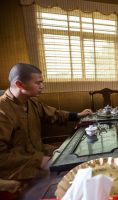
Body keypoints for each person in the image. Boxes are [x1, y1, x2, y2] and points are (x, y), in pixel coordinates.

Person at [0, 63, 92, 194]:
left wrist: (77, 115)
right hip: (17, 167)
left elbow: (53, 114)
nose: (42, 86)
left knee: (73, 156)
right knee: (56, 185)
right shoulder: (2, 110)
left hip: (39, 152)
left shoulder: (31, 102)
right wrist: (37, 161)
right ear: (20, 85)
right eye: (38, 83)